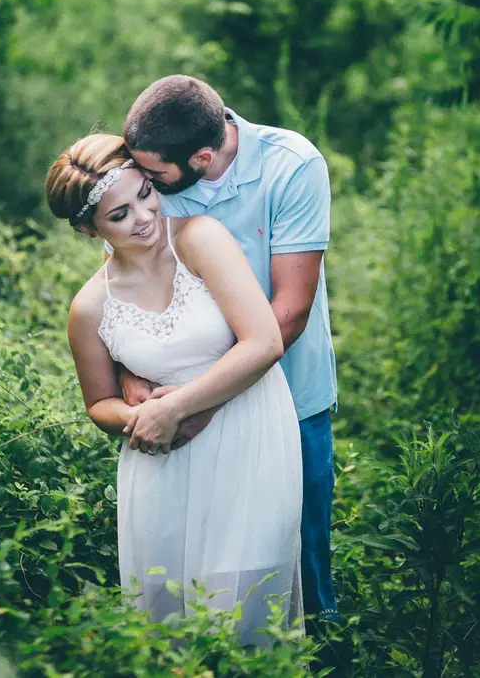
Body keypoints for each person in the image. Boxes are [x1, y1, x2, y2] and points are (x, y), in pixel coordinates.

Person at [45, 134, 304, 644]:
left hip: (248, 437)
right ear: (85, 227)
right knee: (172, 625)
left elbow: (264, 342)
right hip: (162, 463)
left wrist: (177, 406)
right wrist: (137, 417)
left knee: (249, 609)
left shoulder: (198, 238)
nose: (143, 216)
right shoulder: (90, 307)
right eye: (118, 215)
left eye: (145, 193)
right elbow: (99, 403)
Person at [118, 75, 339, 624]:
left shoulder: (292, 166)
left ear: (201, 155)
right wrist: (129, 373)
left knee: (298, 560)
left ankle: (324, 656)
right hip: (181, 403)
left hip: (291, 395)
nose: (143, 184)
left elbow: (288, 313)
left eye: (153, 174)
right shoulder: (154, 191)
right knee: (204, 559)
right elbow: (128, 278)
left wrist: (197, 402)